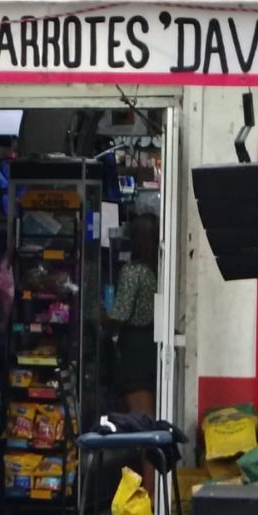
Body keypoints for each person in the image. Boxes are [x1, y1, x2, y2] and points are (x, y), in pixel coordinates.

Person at [104, 212, 160, 495]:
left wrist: (98, 316)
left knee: (143, 429)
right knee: (147, 426)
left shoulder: (133, 272)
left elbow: (120, 315)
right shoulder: (154, 272)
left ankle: (147, 500)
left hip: (133, 354)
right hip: (149, 349)